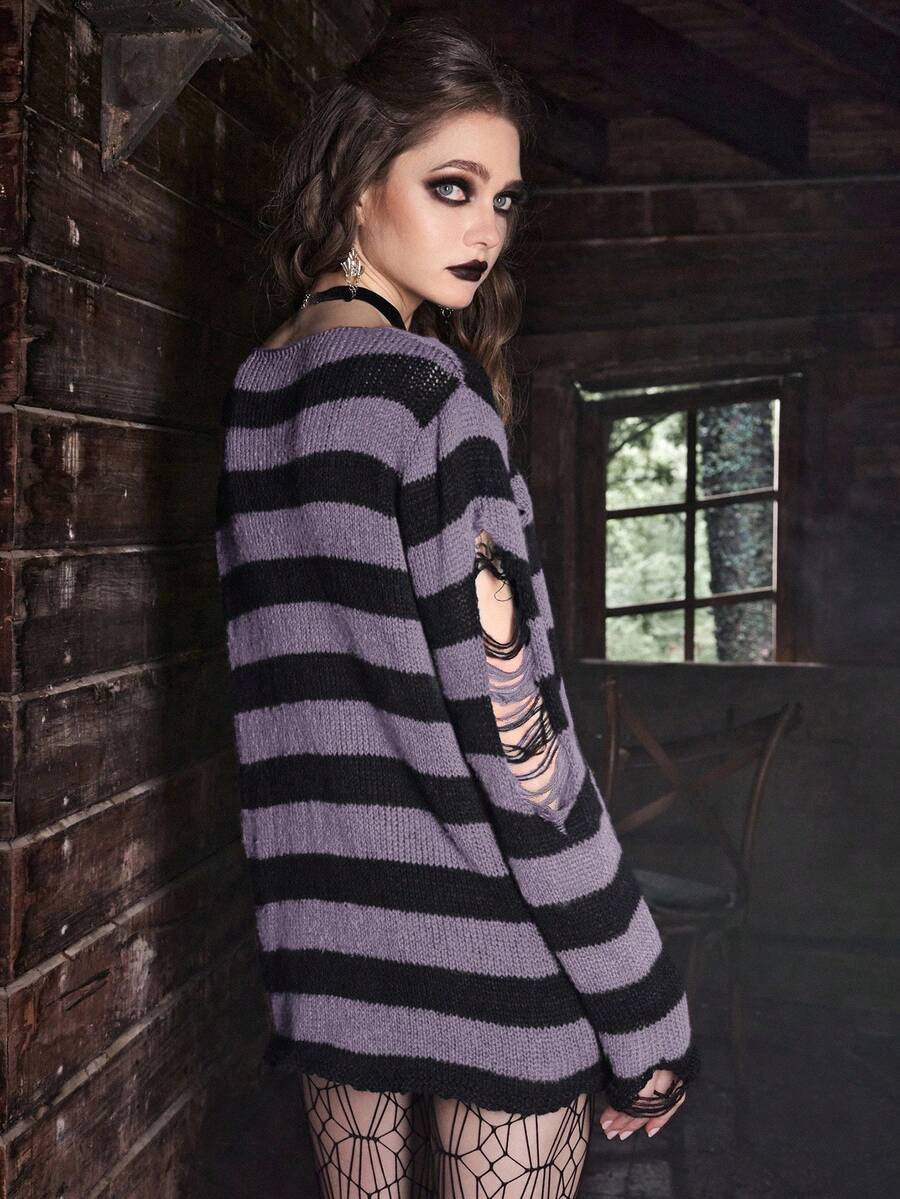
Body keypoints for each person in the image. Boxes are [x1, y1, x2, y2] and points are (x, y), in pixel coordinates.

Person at [215, 14, 699, 1198]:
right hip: (491, 965)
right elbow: (524, 754)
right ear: (355, 181)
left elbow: (283, 707)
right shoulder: (434, 405)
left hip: (330, 964)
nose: (486, 228)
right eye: (452, 186)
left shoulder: (256, 394)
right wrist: (645, 1008)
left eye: (504, 199)